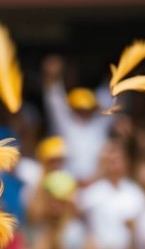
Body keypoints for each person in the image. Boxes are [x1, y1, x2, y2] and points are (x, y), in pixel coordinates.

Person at [40, 54, 113, 183]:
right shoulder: (66, 124)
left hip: (97, 184)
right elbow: (54, 102)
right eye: (79, 109)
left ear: (93, 109)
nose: (83, 113)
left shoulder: (99, 125)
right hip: (66, 184)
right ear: (72, 109)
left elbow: (115, 96)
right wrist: (51, 76)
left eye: (87, 109)